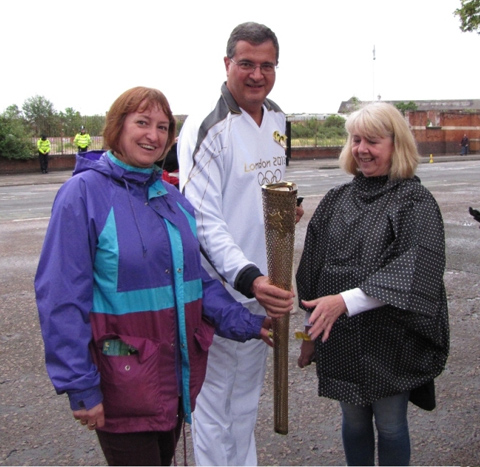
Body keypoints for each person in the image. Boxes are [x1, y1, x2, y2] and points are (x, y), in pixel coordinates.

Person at [35, 86, 275, 466]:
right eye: (142, 122)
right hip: (122, 379)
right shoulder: (82, 195)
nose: (153, 135)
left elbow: (197, 282)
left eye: (163, 127)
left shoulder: (172, 199)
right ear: (117, 127)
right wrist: (80, 385)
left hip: (172, 380)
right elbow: (60, 298)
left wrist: (248, 322)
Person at [296, 102, 449, 466]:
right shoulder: (337, 199)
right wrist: (309, 335)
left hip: (391, 339)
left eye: (373, 141)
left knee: (391, 424)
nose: (361, 149)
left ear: (396, 145)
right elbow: (313, 272)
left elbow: (415, 269)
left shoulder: (414, 201)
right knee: (353, 420)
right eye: (356, 140)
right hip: (342, 335)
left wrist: (344, 302)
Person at [178, 22, 302, 466]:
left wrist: (290, 211)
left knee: (245, 400)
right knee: (213, 406)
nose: (256, 74)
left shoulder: (278, 117)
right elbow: (202, 219)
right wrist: (249, 279)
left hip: (265, 287)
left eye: (266, 65)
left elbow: (269, 188)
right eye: (246, 63)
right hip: (222, 292)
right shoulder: (208, 126)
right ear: (227, 63)